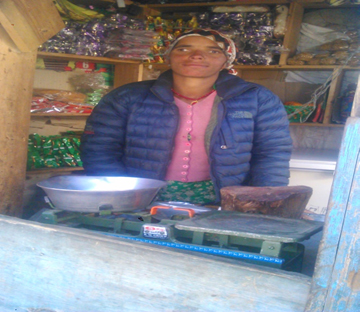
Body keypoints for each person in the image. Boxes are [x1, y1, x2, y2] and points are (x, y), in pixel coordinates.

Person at [80, 29, 292, 205]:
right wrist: (121, 195)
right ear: (168, 56)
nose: (197, 56)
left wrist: (265, 199)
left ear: (226, 61)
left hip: (223, 198)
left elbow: (272, 153)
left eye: (212, 51)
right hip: (142, 197)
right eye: (184, 49)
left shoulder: (257, 99)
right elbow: (100, 148)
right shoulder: (128, 97)